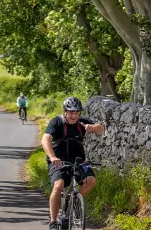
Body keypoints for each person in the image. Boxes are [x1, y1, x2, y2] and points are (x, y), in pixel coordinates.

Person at [41, 97, 104, 230]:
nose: (74, 115)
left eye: (76, 112)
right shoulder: (56, 122)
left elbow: (101, 129)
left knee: (91, 181)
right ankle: (53, 222)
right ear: (65, 112)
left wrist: (93, 127)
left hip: (78, 161)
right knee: (58, 186)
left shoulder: (82, 122)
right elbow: (45, 139)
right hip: (59, 161)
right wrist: (52, 157)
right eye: (71, 112)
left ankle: (73, 200)